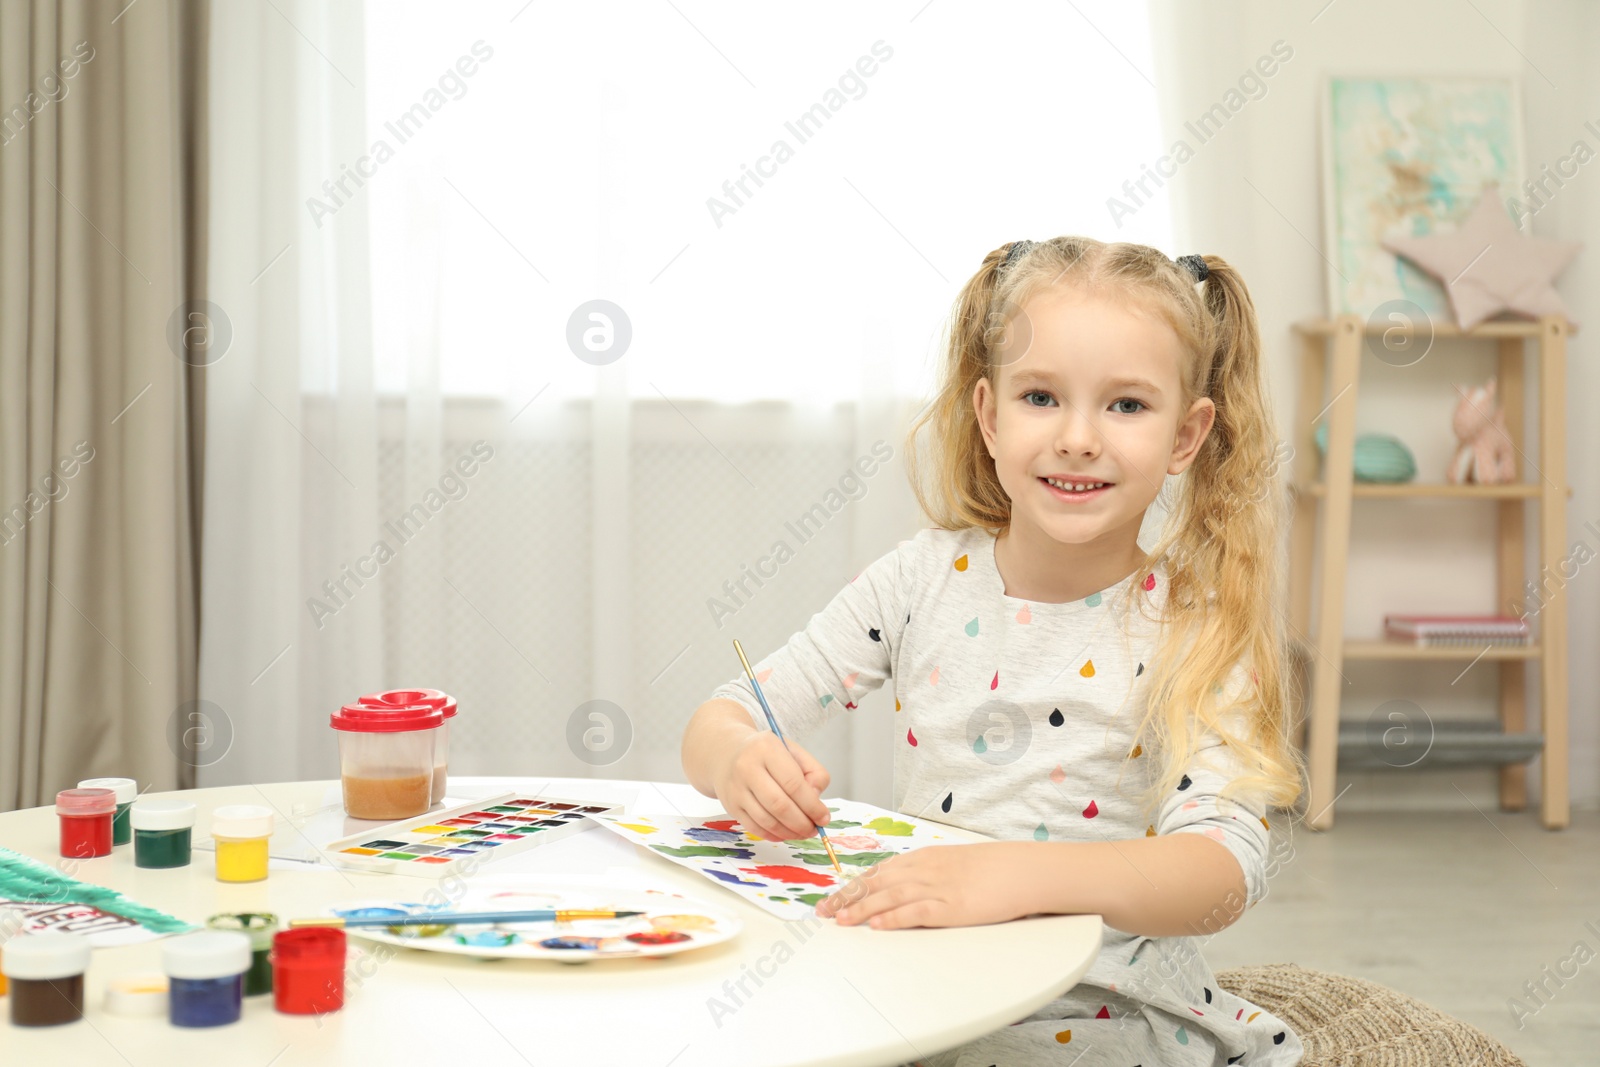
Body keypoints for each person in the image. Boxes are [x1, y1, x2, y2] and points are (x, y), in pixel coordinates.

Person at [680, 236, 1309, 1066]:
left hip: (1100, 1021)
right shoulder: (917, 582)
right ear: (989, 415)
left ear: (1186, 437)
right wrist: (737, 759)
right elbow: (725, 713)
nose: (1079, 437)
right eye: (1041, 396)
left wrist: (1009, 876)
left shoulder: (1198, 626)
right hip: (920, 992)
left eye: (1126, 406)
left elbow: (1219, 872)